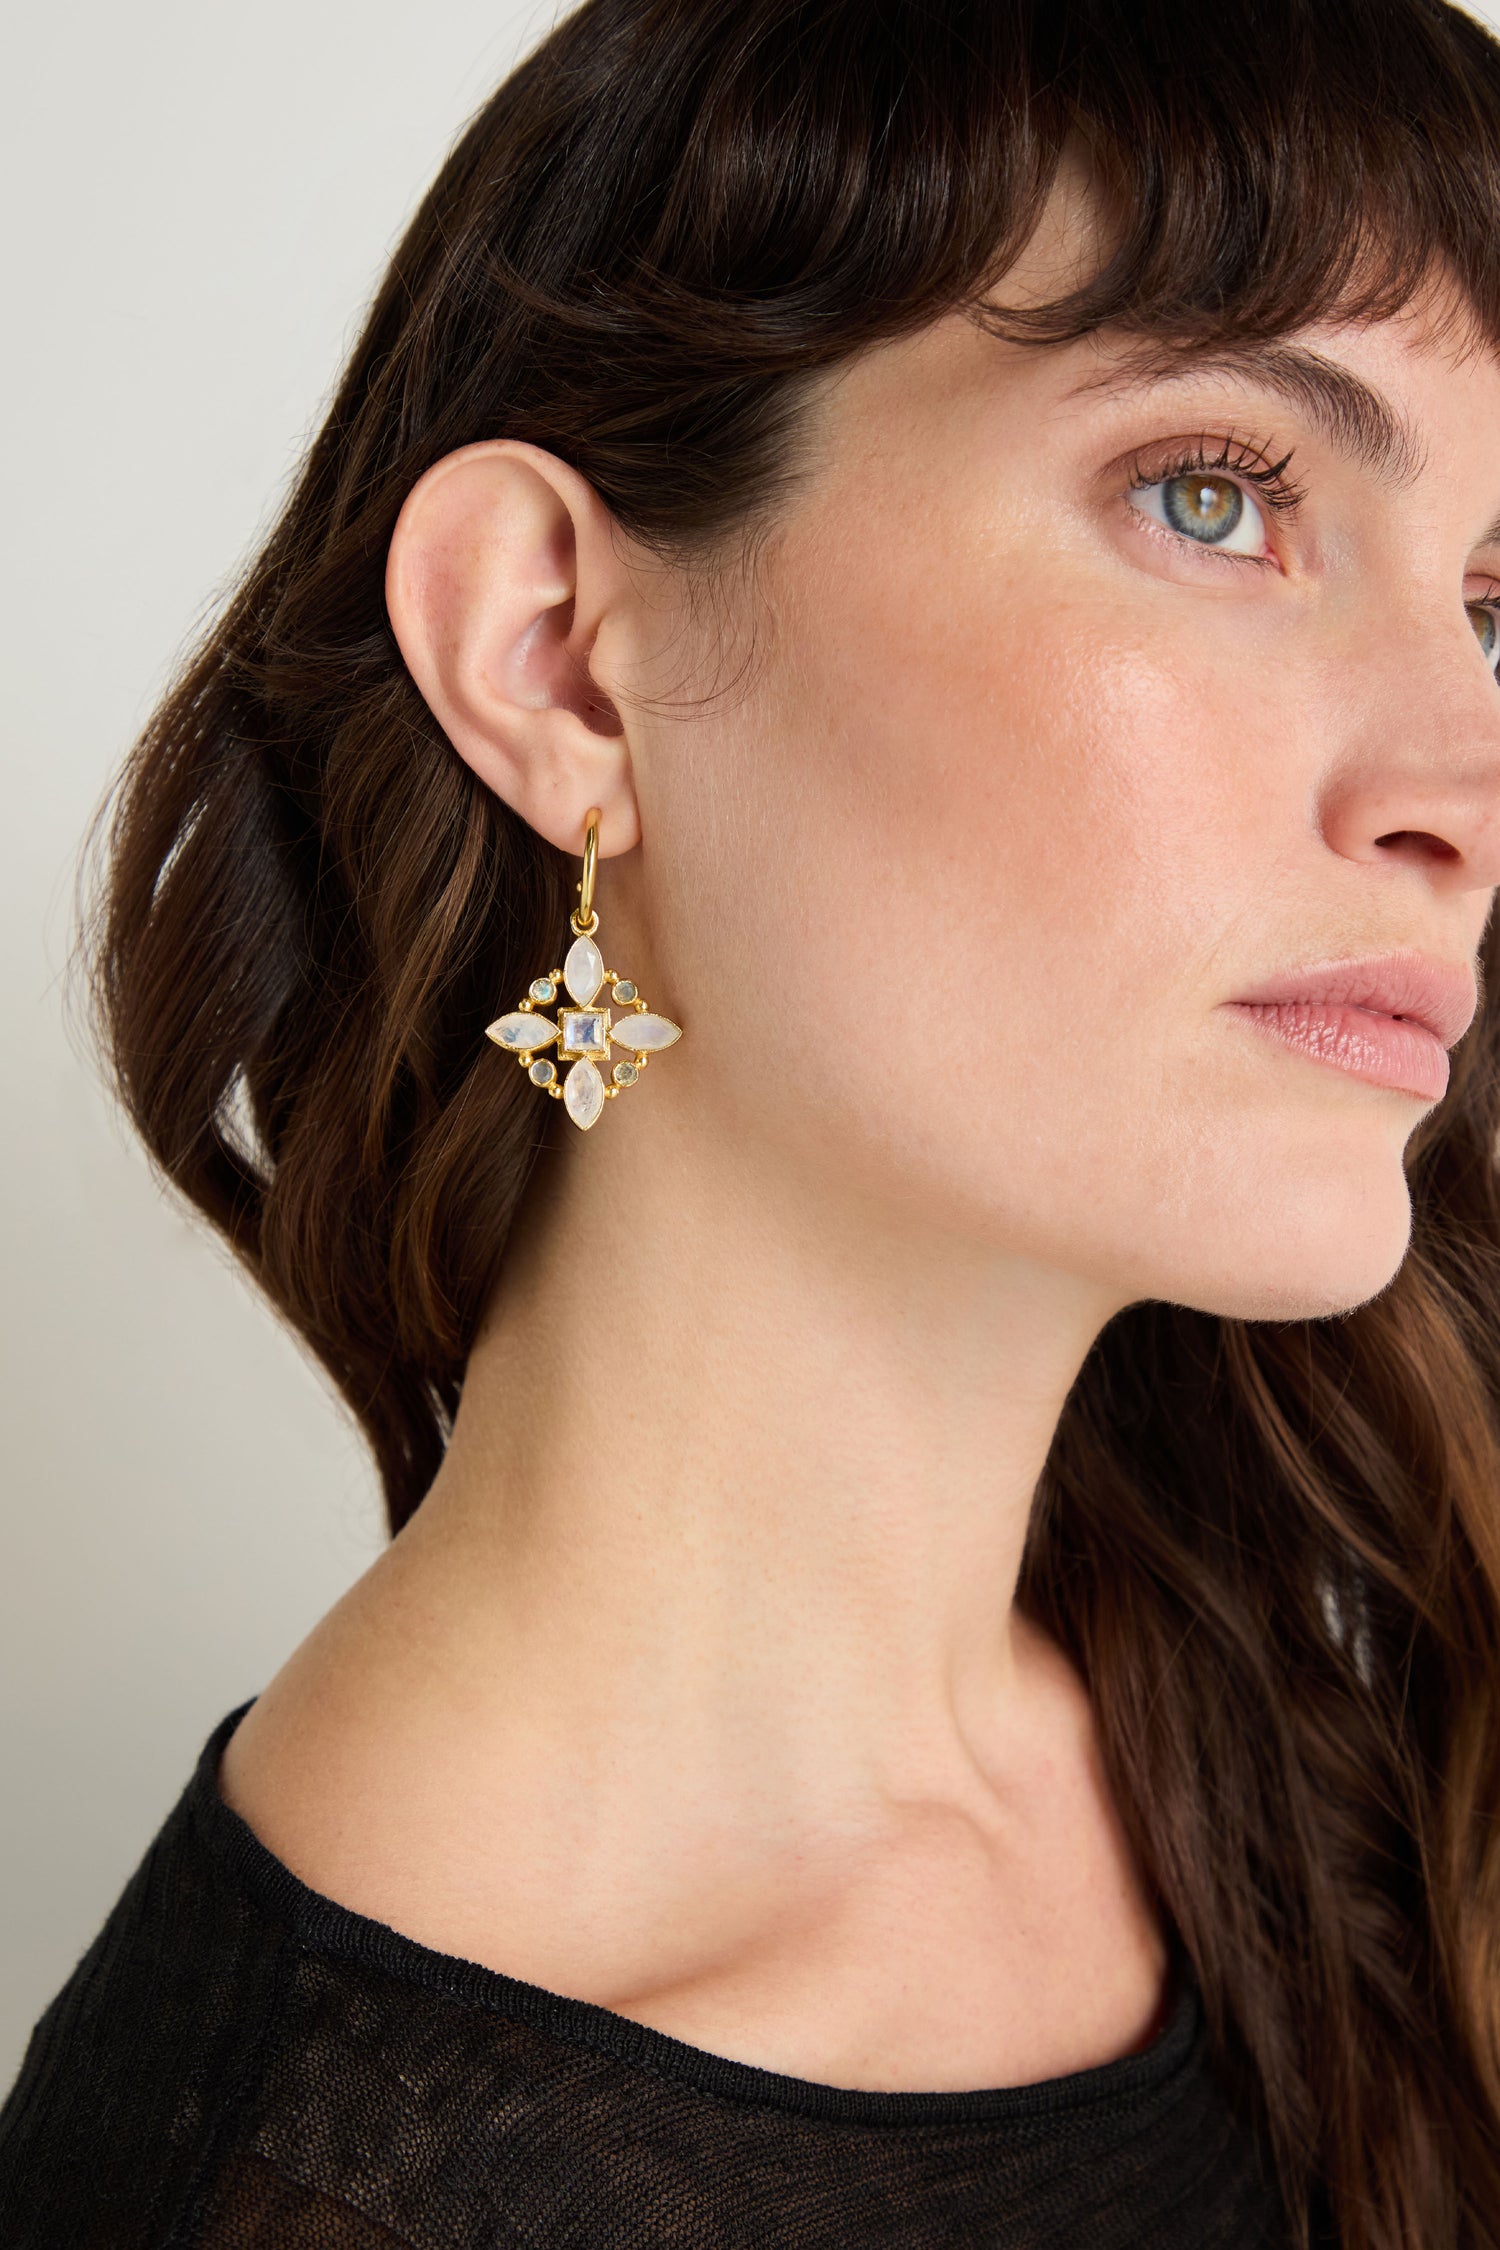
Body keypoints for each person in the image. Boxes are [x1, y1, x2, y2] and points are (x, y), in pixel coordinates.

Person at [6, 0, 1500, 2240]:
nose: (1457, 792)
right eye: (1220, 496)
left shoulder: (1328, 1723)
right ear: (559, 658)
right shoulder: (297, 2187)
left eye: (1498, 608)